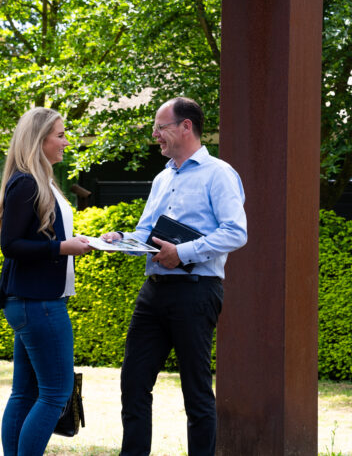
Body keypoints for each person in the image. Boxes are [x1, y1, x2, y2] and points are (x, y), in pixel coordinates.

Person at [102, 97, 247, 456]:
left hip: (196, 291)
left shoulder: (219, 174)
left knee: (196, 391)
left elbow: (236, 232)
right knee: (133, 383)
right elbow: (146, 232)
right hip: (154, 291)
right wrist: (122, 240)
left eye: (161, 127)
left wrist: (181, 253)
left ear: (186, 127)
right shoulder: (162, 177)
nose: (156, 135)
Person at [0, 107, 91, 456]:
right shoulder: (27, 181)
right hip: (40, 306)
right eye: (61, 135)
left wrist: (90, 240)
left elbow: (44, 237)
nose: (67, 141)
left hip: (32, 303)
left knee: (26, 393)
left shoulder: (42, 180)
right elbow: (12, 245)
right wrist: (63, 247)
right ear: (40, 140)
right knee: (55, 394)